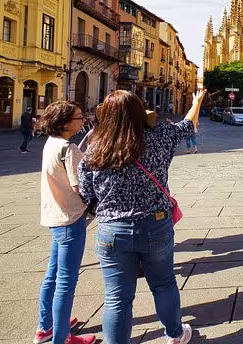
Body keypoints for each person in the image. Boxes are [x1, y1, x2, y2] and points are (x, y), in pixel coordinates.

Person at [79, 89, 206, 344]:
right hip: (155, 224)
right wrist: (196, 102)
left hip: (111, 230)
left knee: (117, 299)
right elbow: (188, 125)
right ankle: (175, 334)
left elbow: (86, 193)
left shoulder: (94, 148)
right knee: (164, 284)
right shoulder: (159, 137)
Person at [34, 101, 95, 344]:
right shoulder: (70, 149)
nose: (82, 121)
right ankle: (61, 338)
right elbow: (81, 187)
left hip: (54, 215)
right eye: (79, 117)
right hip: (70, 218)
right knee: (66, 282)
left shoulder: (52, 143)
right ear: (64, 122)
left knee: (53, 275)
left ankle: (45, 327)